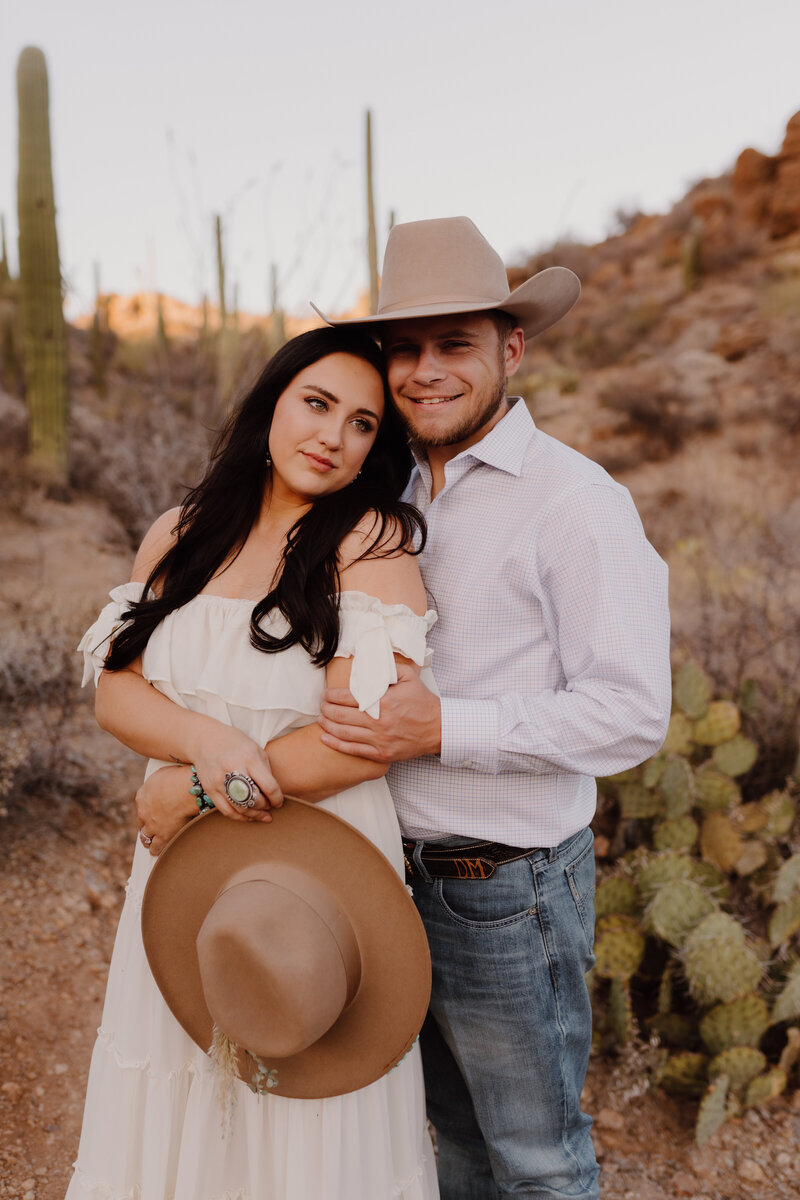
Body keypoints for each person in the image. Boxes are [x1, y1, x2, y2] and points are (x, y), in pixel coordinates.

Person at [313, 216, 673, 1200]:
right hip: (389, 876)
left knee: (536, 1162)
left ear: (511, 348)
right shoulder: (380, 486)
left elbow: (633, 712)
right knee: (456, 1152)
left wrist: (444, 725)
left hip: (503, 894)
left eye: (454, 344)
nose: (425, 371)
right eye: (403, 350)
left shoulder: (574, 502)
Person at [66, 327, 440, 1200]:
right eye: (317, 404)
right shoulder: (179, 532)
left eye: (362, 425)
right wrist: (210, 746)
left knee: (299, 1066)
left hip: (315, 860)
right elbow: (115, 695)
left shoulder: (371, 543)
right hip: (185, 866)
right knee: (181, 1060)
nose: (333, 437)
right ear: (271, 402)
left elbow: (359, 746)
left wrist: (195, 788)